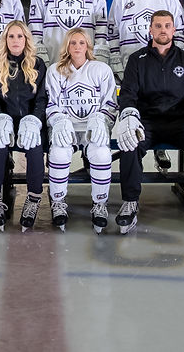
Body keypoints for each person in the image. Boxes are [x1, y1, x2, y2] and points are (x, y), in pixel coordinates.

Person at [114, 11, 184, 236]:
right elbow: (127, 94)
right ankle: (130, 202)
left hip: (180, 122)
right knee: (129, 144)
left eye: (167, 26)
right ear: (150, 30)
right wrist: (129, 116)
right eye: (158, 26)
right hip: (147, 123)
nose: (162, 30)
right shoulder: (136, 59)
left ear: (174, 30)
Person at [45, 28, 116, 233]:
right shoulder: (55, 70)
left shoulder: (101, 69)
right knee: (58, 154)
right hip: (66, 128)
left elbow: (111, 103)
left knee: (102, 154)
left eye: (81, 43)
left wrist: (101, 119)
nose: (77, 47)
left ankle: (100, 203)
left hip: (92, 129)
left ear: (88, 46)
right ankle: (58, 201)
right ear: (67, 46)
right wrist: (58, 120)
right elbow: (50, 103)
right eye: (73, 43)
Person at [0, 20, 48, 232]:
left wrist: (35, 120)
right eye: (11, 36)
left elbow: (42, 98)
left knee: (35, 148)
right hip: (5, 120)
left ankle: (33, 199)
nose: (15, 40)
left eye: (20, 36)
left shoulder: (38, 64)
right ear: (5, 39)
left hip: (30, 121)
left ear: (26, 39)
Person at [107, 0, 184, 77]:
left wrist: (176, 54)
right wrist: (116, 57)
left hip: (164, 63)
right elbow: (113, 32)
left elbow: (179, 28)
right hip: (130, 63)